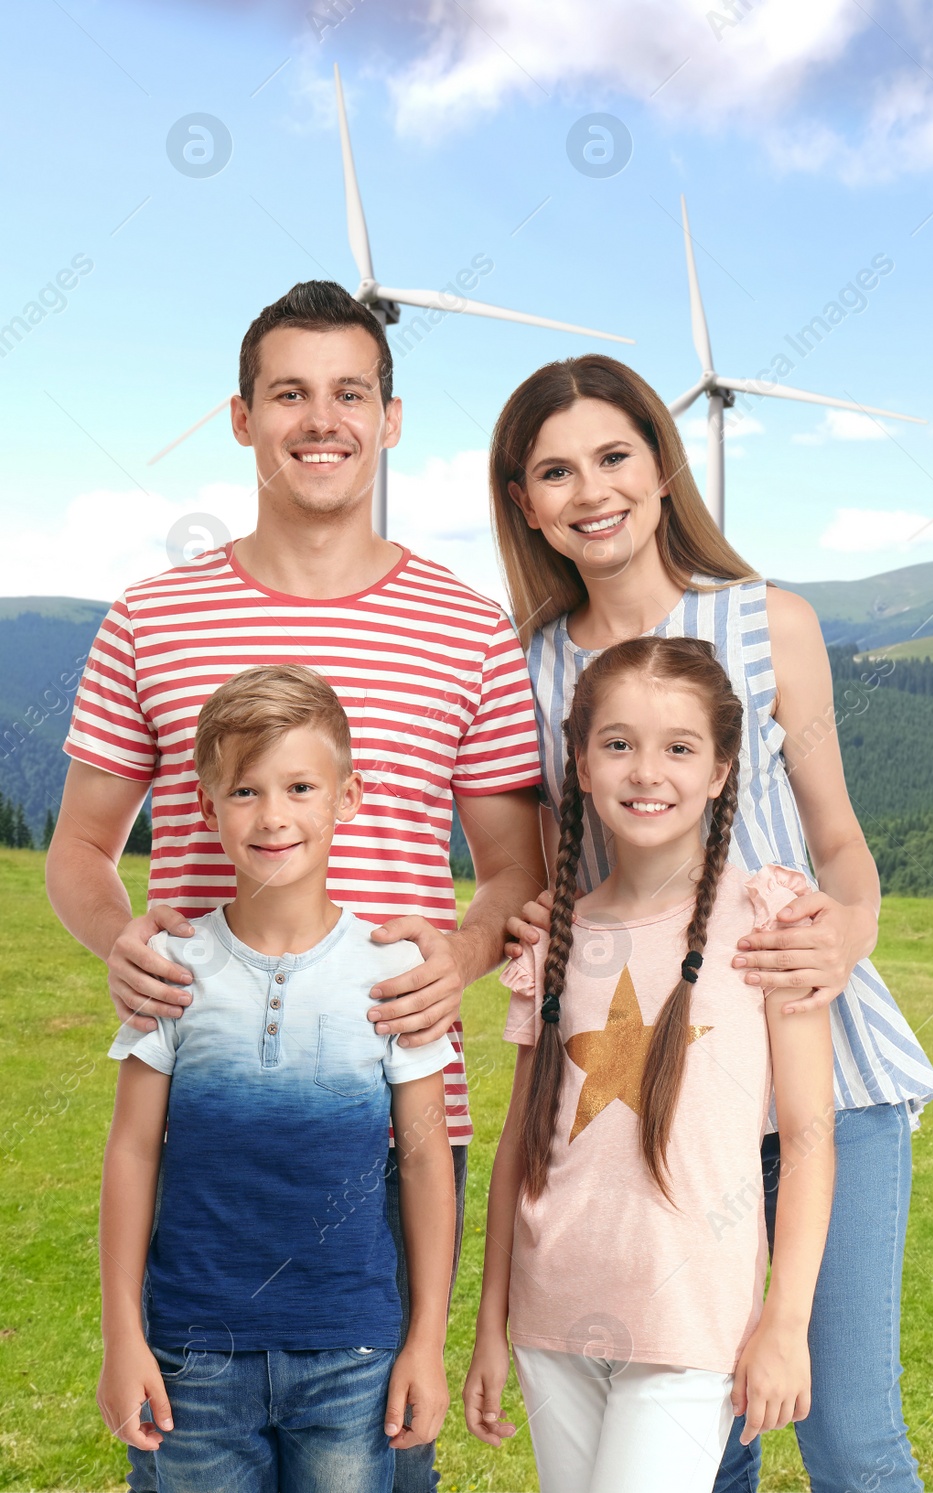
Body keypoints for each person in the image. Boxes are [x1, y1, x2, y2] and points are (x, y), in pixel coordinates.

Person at [47, 280, 545, 1492]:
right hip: (205, 1111)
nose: (319, 419)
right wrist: (123, 941)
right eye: (289, 393)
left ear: (388, 419)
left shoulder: (468, 627)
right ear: (241, 417)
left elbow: (517, 869)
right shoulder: (148, 619)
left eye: (347, 394)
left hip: (397, 1120)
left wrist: (458, 960)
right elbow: (78, 852)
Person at [491, 355, 933, 1491]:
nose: (590, 490)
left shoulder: (767, 623)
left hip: (816, 1066)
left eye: (613, 456)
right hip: (655, 1074)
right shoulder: (532, 663)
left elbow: (838, 840)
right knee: (703, 1429)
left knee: (844, 1429)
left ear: (661, 465)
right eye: (554, 470)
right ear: (523, 500)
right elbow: (566, 866)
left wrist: (849, 927)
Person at [462, 636, 836, 1492]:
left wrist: (787, 1319)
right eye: (619, 743)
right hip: (551, 1316)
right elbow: (519, 1143)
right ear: (582, 764)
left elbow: (811, 1139)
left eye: (679, 747)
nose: (646, 771)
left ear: (720, 769)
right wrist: (492, 1321)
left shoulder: (770, 917)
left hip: (688, 1326)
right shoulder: (555, 933)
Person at [97, 665, 456, 1491]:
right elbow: (133, 1151)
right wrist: (125, 1334)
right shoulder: (170, 970)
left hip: (352, 1356)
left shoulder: (392, 970)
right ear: (205, 804)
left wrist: (425, 1342)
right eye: (246, 790)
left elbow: (427, 1160)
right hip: (191, 1357)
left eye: (300, 785)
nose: (274, 815)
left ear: (348, 796)